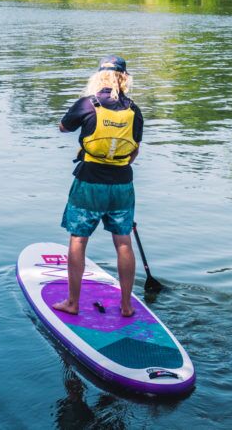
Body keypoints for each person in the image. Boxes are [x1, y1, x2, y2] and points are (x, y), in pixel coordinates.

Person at [52, 55, 143, 317]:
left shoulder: (87, 104)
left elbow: (63, 127)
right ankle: (126, 306)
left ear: (98, 77)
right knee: (123, 242)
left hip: (90, 182)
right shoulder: (134, 110)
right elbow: (134, 151)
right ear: (124, 78)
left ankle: (72, 302)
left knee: (79, 240)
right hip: (123, 184)